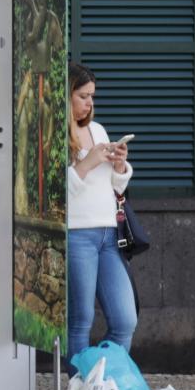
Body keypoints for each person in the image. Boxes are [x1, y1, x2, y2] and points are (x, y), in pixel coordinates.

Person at [65, 62, 135, 364]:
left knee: (125, 322)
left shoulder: (97, 129)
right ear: (66, 96)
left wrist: (119, 166)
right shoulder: (53, 133)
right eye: (83, 96)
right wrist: (87, 162)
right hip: (77, 235)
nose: (90, 103)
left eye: (92, 96)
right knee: (81, 320)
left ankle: (100, 383)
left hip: (109, 234)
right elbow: (56, 195)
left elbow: (116, 188)